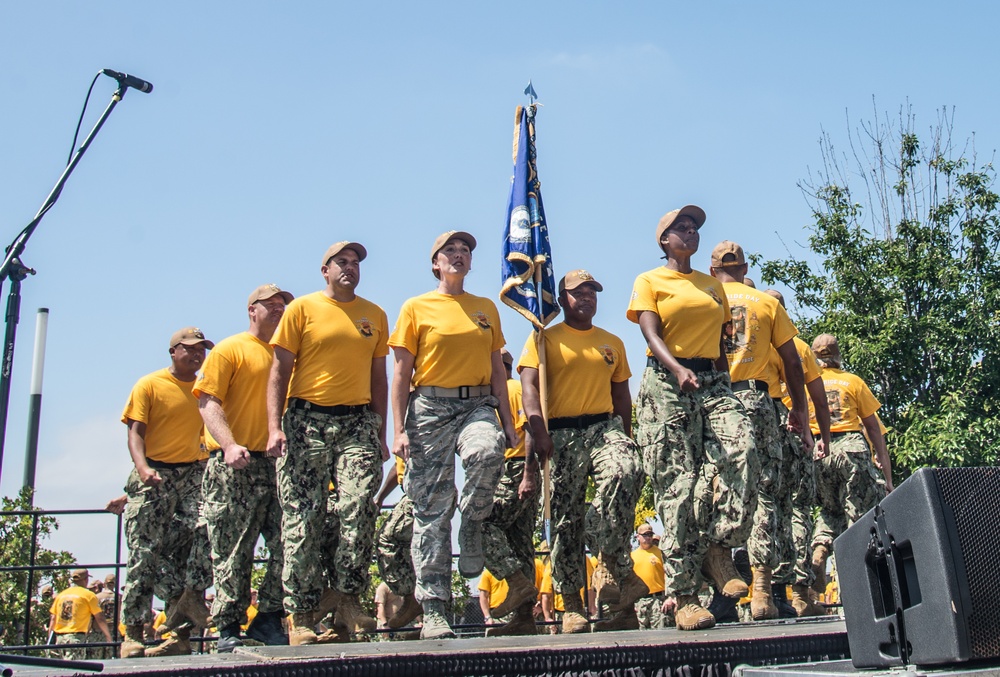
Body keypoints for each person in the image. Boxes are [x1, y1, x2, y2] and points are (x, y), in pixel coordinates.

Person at [628, 206, 758, 631]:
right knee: (677, 485)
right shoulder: (650, 281)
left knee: (744, 449)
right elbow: (651, 333)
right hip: (667, 382)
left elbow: (721, 344)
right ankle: (683, 595)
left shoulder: (712, 286)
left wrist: (723, 381)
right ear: (664, 239)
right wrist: (678, 368)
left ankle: (718, 548)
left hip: (712, 382)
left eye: (695, 227)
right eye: (681, 227)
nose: (690, 232)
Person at [389, 230, 518, 640]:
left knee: (488, 450)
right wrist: (397, 430)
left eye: (465, 251)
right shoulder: (416, 307)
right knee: (431, 509)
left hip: (477, 403)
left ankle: (474, 522)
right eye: (451, 251)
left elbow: (498, 368)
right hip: (429, 408)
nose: (459, 256)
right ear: (436, 263)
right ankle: (433, 608)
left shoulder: (485, 309)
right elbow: (400, 373)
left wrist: (509, 421)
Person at [266, 242, 389, 645]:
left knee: (359, 507)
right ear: (325, 270)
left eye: (355, 263)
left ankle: (349, 599)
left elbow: (379, 378)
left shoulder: (375, 315)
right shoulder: (301, 309)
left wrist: (381, 432)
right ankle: (301, 614)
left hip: (357, 422)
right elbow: (279, 371)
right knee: (303, 518)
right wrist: (275, 426)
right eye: (342, 262)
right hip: (306, 421)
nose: (350, 269)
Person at [521, 269, 644, 634]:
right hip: (560, 433)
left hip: (603, 427)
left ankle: (610, 562)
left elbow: (622, 396)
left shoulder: (612, 342)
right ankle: (572, 604)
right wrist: (538, 428)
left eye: (592, 291)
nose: (587, 297)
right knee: (563, 520)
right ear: (562, 299)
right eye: (578, 292)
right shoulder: (543, 339)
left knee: (626, 471)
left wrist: (627, 434)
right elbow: (529, 387)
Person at [709, 241, 811, 620]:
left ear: (712, 268)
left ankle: (723, 586)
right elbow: (792, 361)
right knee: (767, 492)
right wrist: (799, 409)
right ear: (746, 266)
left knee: (718, 491)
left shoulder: (705, 299)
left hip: (715, 402)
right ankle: (764, 591)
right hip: (758, 402)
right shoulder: (766, 304)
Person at [196, 284, 294, 652]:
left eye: (283, 305)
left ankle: (268, 618)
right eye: (270, 305)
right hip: (234, 465)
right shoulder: (230, 349)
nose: (278, 310)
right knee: (233, 548)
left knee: (289, 542)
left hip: (276, 464)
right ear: (251, 310)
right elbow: (207, 402)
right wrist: (228, 444)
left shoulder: (288, 354)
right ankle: (227, 625)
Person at [120, 327, 215, 658]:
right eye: (189, 349)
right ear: (173, 351)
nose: (196, 354)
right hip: (155, 472)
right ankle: (134, 632)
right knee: (145, 554)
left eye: (201, 349)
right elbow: (135, 434)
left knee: (209, 527)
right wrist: (143, 468)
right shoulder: (150, 384)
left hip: (194, 472)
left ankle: (190, 599)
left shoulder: (207, 386)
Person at [764, 289, 832, 617]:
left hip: (761, 426)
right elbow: (819, 398)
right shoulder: (799, 348)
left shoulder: (752, 341)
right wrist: (820, 436)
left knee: (767, 507)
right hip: (794, 430)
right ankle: (801, 593)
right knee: (799, 510)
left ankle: (768, 589)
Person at [809, 334, 893, 591]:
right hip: (851, 449)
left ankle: (820, 549)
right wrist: (887, 477)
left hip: (818, 451)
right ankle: (857, 579)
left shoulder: (806, 385)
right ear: (838, 355)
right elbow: (873, 428)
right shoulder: (852, 382)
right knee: (858, 513)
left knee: (829, 510)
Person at [478, 348, 538, 636]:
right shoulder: (506, 390)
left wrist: (527, 473)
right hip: (522, 471)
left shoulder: (506, 392)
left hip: (514, 470)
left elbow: (531, 428)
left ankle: (515, 580)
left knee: (479, 524)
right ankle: (524, 617)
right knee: (519, 541)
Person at [374, 456, 422, 629]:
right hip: (414, 489)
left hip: (423, 488)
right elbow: (399, 465)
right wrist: (380, 497)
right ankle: (426, 611)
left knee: (388, 540)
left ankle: (413, 600)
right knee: (423, 549)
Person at [49, 569, 111, 660]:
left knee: (60, 670)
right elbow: (99, 617)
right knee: (74, 670)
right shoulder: (88, 595)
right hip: (75, 638)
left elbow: (53, 618)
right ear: (86, 579)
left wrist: (49, 640)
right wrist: (108, 636)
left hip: (59, 638)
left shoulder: (61, 595)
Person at [630, 524, 666, 630]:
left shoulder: (660, 553)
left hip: (658, 600)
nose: (648, 538)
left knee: (661, 633)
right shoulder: (632, 556)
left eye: (650, 534)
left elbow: (669, 575)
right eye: (645, 535)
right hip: (639, 602)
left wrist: (670, 598)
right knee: (641, 635)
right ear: (638, 537)